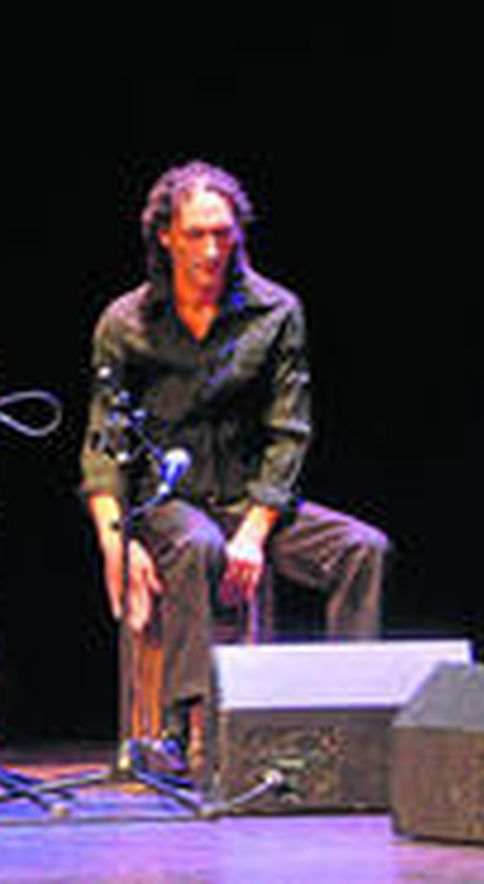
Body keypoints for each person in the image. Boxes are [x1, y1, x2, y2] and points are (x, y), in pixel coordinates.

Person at [80, 160, 388, 758]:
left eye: (223, 233)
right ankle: (186, 728)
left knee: (362, 549)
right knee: (198, 547)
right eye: (196, 234)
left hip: (254, 504)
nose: (212, 248)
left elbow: (288, 432)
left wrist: (255, 528)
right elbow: (103, 447)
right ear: (166, 235)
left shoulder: (276, 312)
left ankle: (356, 722)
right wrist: (116, 545)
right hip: (171, 504)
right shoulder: (126, 323)